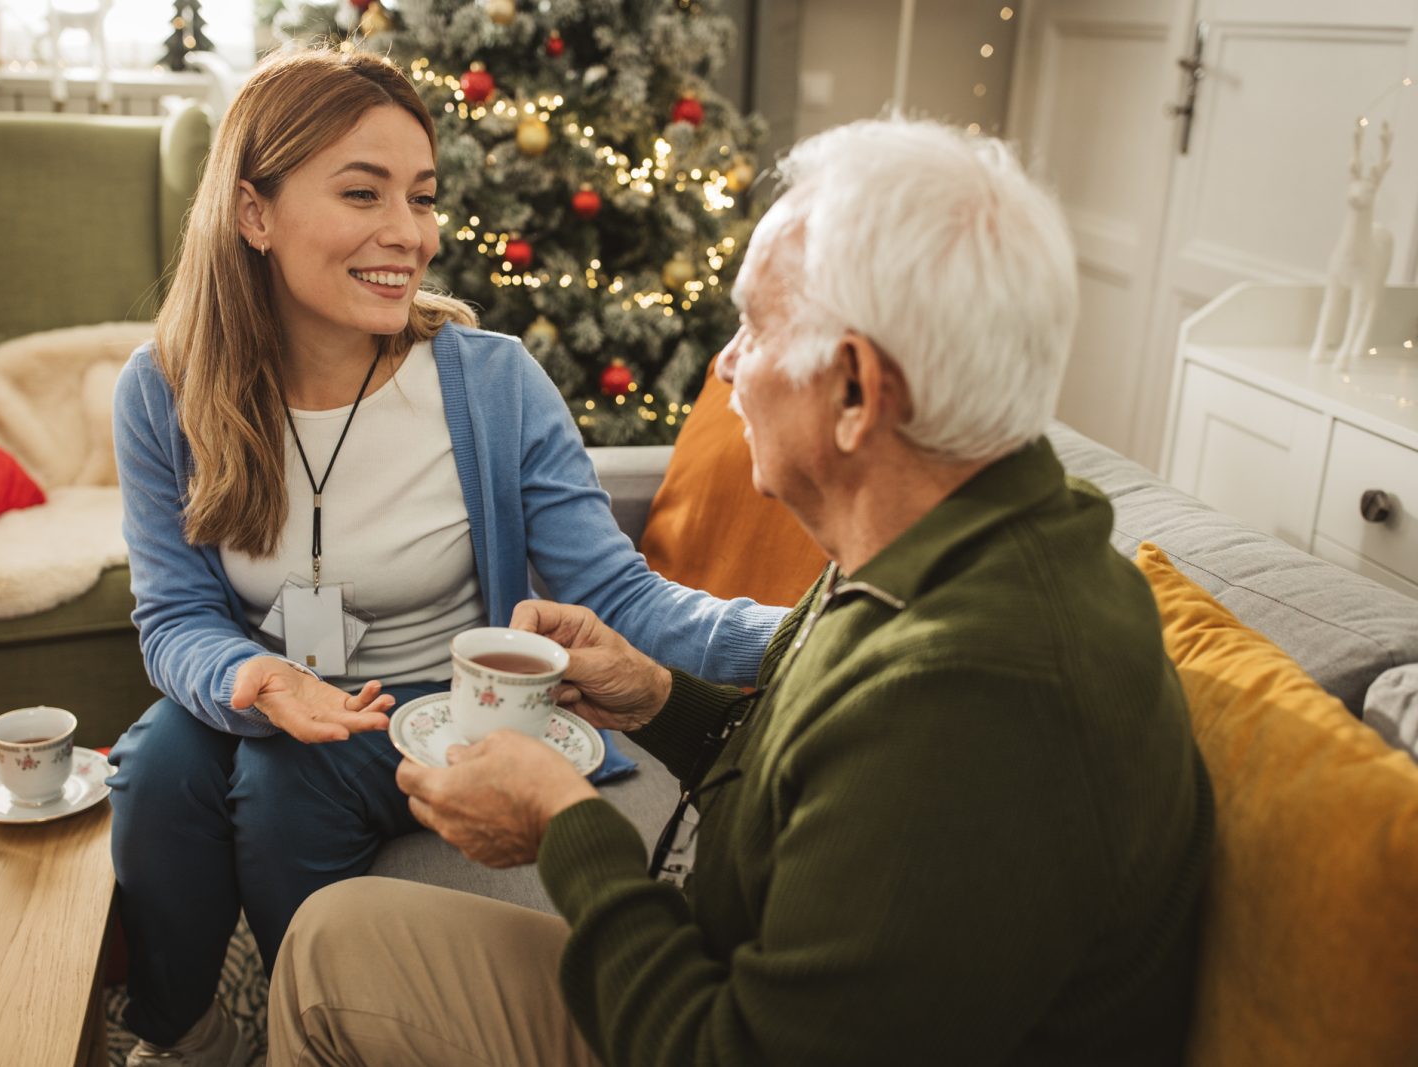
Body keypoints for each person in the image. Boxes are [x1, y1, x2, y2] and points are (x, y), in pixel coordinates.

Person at [269, 116, 1215, 1066]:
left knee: (321, 964)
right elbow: (824, 770)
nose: (724, 367)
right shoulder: (939, 544)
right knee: (336, 933)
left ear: (854, 392)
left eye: (755, 327)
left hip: (715, 1026)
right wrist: (658, 698)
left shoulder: (972, 696)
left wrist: (566, 823)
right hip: (731, 969)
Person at [107, 48, 784, 1067]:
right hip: (278, 687)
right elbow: (173, 617)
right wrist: (254, 674)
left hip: (439, 701)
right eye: (361, 192)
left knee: (291, 780)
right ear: (255, 213)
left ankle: (327, 1026)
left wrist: (813, 630)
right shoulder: (162, 389)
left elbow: (618, 596)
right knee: (154, 768)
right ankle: (186, 1029)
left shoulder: (491, 384)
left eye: (421, 198)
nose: (409, 234)